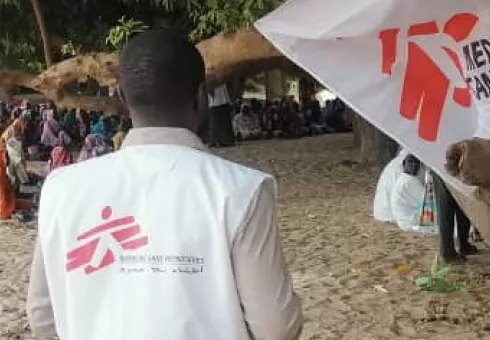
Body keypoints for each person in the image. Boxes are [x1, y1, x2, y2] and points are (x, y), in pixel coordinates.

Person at [28, 29, 302, 340]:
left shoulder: (62, 189)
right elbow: (277, 328)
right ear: (201, 97)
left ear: (121, 96)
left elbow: (42, 318)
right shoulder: (242, 190)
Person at [428, 168, 476, 261]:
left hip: (448, 164)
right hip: (443, 163)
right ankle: (448, 252)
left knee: (462, 204)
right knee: (446, 207)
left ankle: (463, 244)